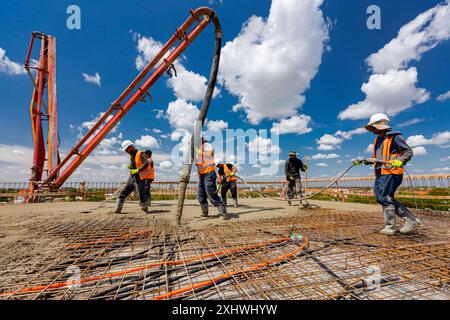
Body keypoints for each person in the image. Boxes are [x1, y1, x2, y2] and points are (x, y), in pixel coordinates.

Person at [354, 113, 421, 235]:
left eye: (373, 127)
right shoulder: (378, 139)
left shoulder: (394, 136)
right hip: (381, 172)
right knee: (381, 198)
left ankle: (395, 225)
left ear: (380, 125)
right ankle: (409, 220)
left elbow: (408, 152)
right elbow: (378, 158)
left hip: (392, 172)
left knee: (385, 198)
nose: (372, 129)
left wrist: (399, 160)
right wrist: (367, 161)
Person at [195, 138, 230, 220]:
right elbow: (198, 166)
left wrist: (197, 151)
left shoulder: (207, 145)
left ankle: (223, 213)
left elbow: (209, 155)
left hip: (209, 174)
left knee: (211, 194)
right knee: (200, 195)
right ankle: (205, 213)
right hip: (202, 175)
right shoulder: (198, 151)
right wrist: (199, 176)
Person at [114, 140, 152, 214]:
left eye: (126, 150)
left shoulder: (140, 153)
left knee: (141, 194)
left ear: (130, 147)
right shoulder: (132, 156)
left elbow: (146, 163)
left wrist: (137, 170)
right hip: (132, 177)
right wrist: (131, 166)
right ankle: (118, 209)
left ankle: (145, 210)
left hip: (139, 177)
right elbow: (136, 164)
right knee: (124, 191)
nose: (126, 151)